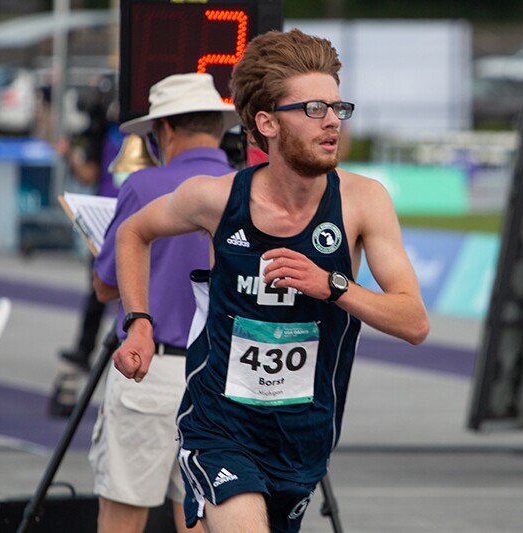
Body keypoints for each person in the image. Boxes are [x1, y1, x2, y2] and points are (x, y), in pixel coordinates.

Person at [112, 29, 429, 532]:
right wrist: (140, 322)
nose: (331, 122)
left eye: (337, 108)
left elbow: (414, 322)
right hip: (219, 423)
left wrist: (335, 285)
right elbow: (132, 233)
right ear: (267, 123)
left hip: (303, 433)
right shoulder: (215, 198)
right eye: (312, 109)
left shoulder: (363, 202)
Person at [89, 72, 238, 533]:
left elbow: (105, 286)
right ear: (218, 126)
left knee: (122, 520)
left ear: (164, 130)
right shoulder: (247, 186)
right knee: (196, 520)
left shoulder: (143, 186)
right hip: (218, 379)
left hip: (149, 371)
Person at [49, 77, 124, 416]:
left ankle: (95, 358)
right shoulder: (103, 133)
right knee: (100, 298)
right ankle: (82, 360)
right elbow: (88, 173)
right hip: (107, 225)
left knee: (105, 300)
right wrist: (71, 156)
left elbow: (87, 173)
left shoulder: (147, 133)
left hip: (124, 223)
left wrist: (70, 157)